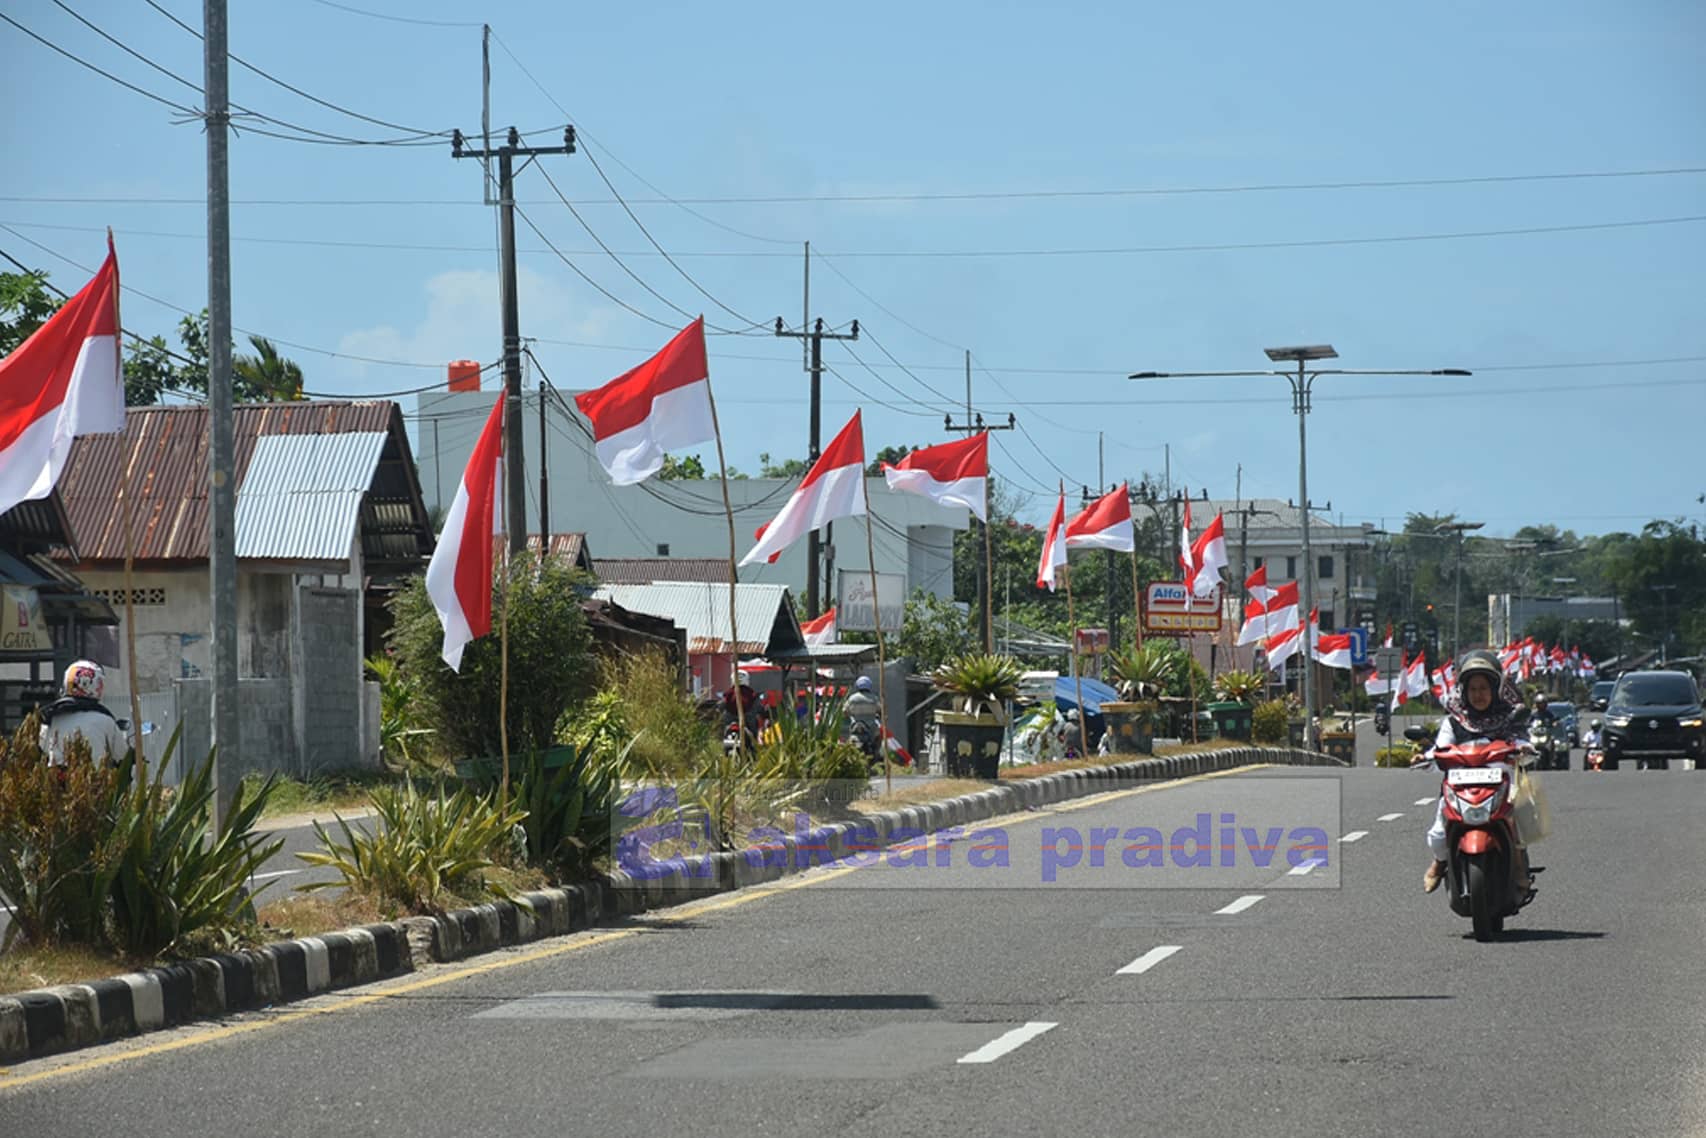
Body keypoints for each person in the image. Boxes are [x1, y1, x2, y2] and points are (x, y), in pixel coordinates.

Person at [1422, 649, 1533, 894]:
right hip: (1459, 788)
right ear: (1464, 691)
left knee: (1521, 815)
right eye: (1472, 689)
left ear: (1495, 689)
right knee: (1438, 831)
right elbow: (1440, 748)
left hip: (1501, 786)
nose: (1478, 694)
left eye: (1483, 688)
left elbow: (1522, 740)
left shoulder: (1510, 718)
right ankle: (1439, 863)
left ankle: (1518, 866)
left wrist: (1524, 748)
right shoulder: (1453, 721)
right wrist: (1426, 756)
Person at [38, 659, 129, 768]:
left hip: (57, 776)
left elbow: (43, 747)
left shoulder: (52, 717)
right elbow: (122, 755)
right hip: (94, 776)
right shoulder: (105, 720)